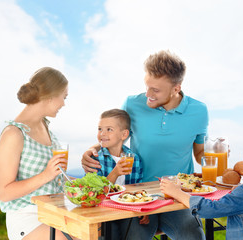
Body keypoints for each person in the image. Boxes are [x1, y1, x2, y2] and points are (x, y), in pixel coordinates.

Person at [82, 50, 208, 240]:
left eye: (156, 90)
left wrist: (214, 157)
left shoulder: (199, 111)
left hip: (176, 195)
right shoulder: (132, 104)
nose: (148, 94)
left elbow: (200, 153)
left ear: (176, 88)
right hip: (137, 195)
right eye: (147, 86)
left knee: (194, 237)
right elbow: (118, 136)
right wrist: (93, 149)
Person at [0, 67, 78, 240]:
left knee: (97, 231)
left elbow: (56, 175)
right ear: (50, 96)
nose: (64, 103)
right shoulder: (14, 134)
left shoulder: (45, 126)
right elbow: (5, 192)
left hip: (54, 210)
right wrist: (46, 175)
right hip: (28, 217)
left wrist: (83, 183)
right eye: (64, 97)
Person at [95, 109, 143, 185]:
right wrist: (115, 173)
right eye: (100, 129)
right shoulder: (95, 159)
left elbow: (138, 187)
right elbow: (96, 191)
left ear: (124, 134)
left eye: (109, 129)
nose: (102, 133)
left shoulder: (135, 159)